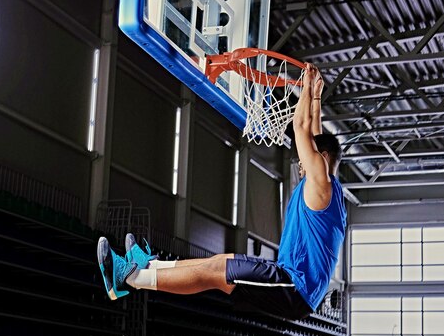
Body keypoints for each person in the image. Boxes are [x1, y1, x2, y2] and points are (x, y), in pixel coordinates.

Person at [97, 63, 346, 320]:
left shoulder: (321, 182)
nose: (301, 165)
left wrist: (305, 87)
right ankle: (151, 266)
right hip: (290, 278)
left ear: (322, 159)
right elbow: (315, 134)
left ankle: (132, 278)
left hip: (295, 288)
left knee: (217, 273)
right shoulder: (329, 187)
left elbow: (301, 127)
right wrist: (315, 96)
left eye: (306, 161)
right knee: (219, 262)